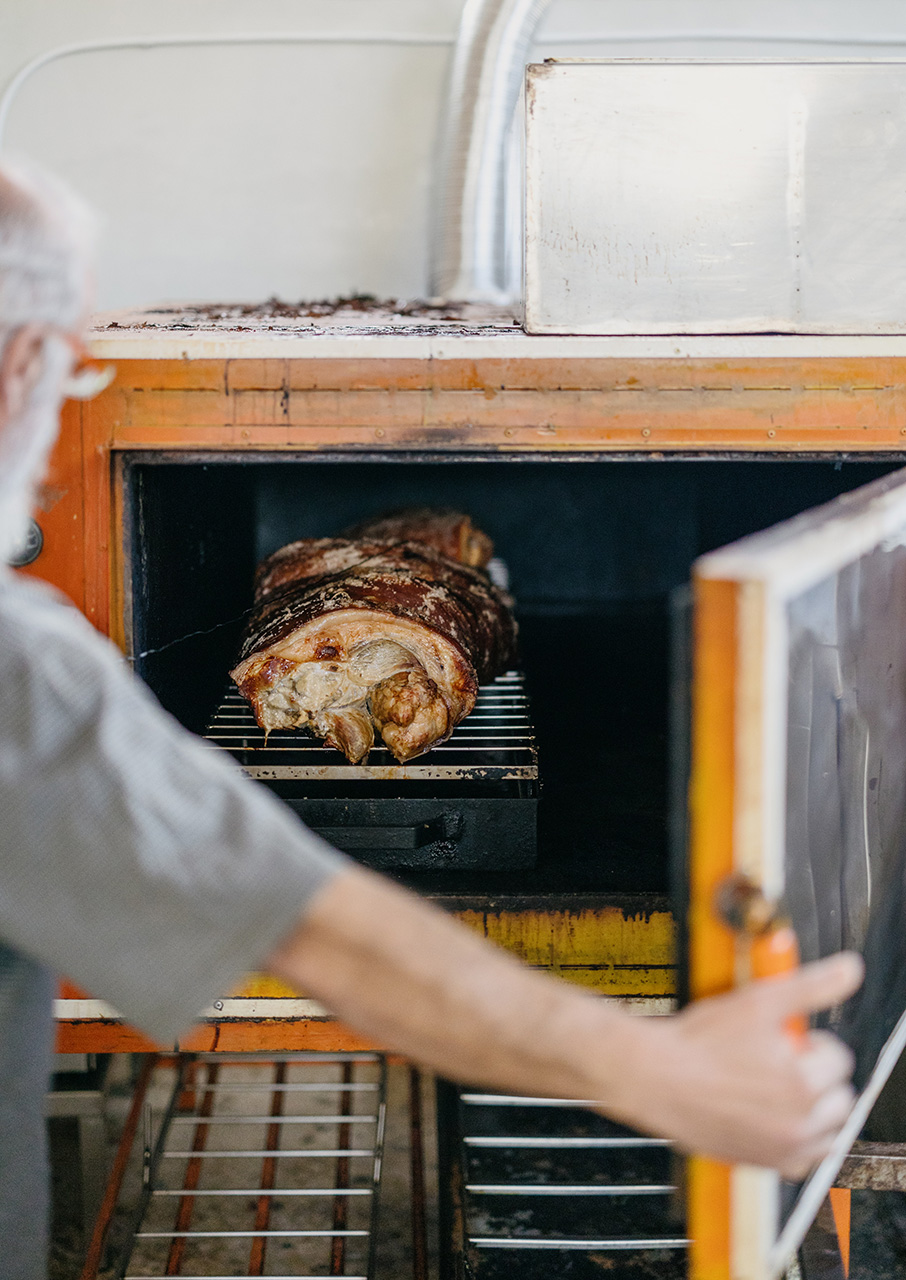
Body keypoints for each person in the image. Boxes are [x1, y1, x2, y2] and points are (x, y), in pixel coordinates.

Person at [0, 156, 862, 1279]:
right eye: (76, 372)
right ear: (22, 365)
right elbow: (313, 928)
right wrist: (661, 1070)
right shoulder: (20, 666)